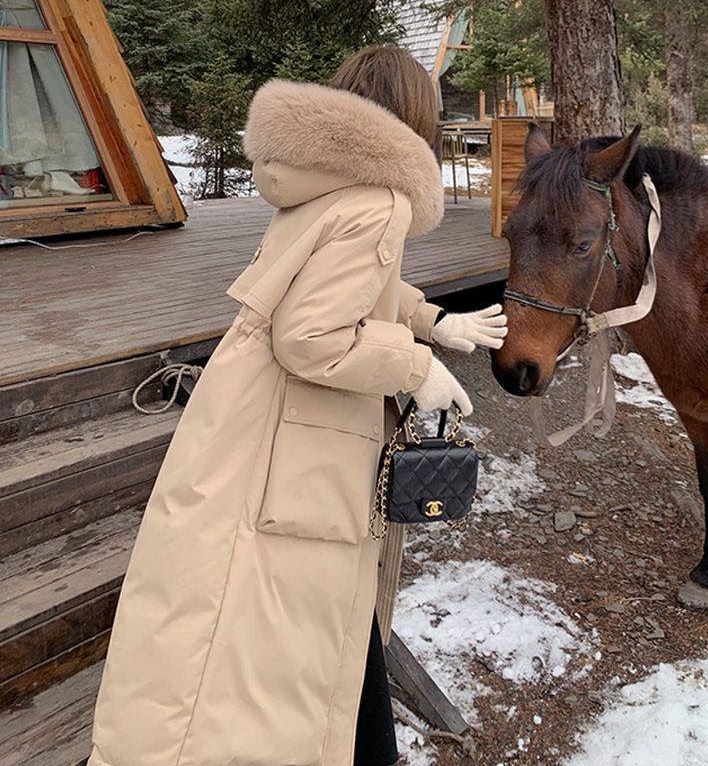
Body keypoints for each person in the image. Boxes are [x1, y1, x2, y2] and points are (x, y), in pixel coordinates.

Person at [86, 45, 506, 766]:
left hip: (257, 424)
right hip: (295, 450)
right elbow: (311, 333)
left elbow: (346, 287)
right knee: (287, 640)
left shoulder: (328, 186)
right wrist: (417, 368)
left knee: (306, 632)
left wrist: (432, 320)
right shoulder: (379, 202)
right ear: (415, 120)